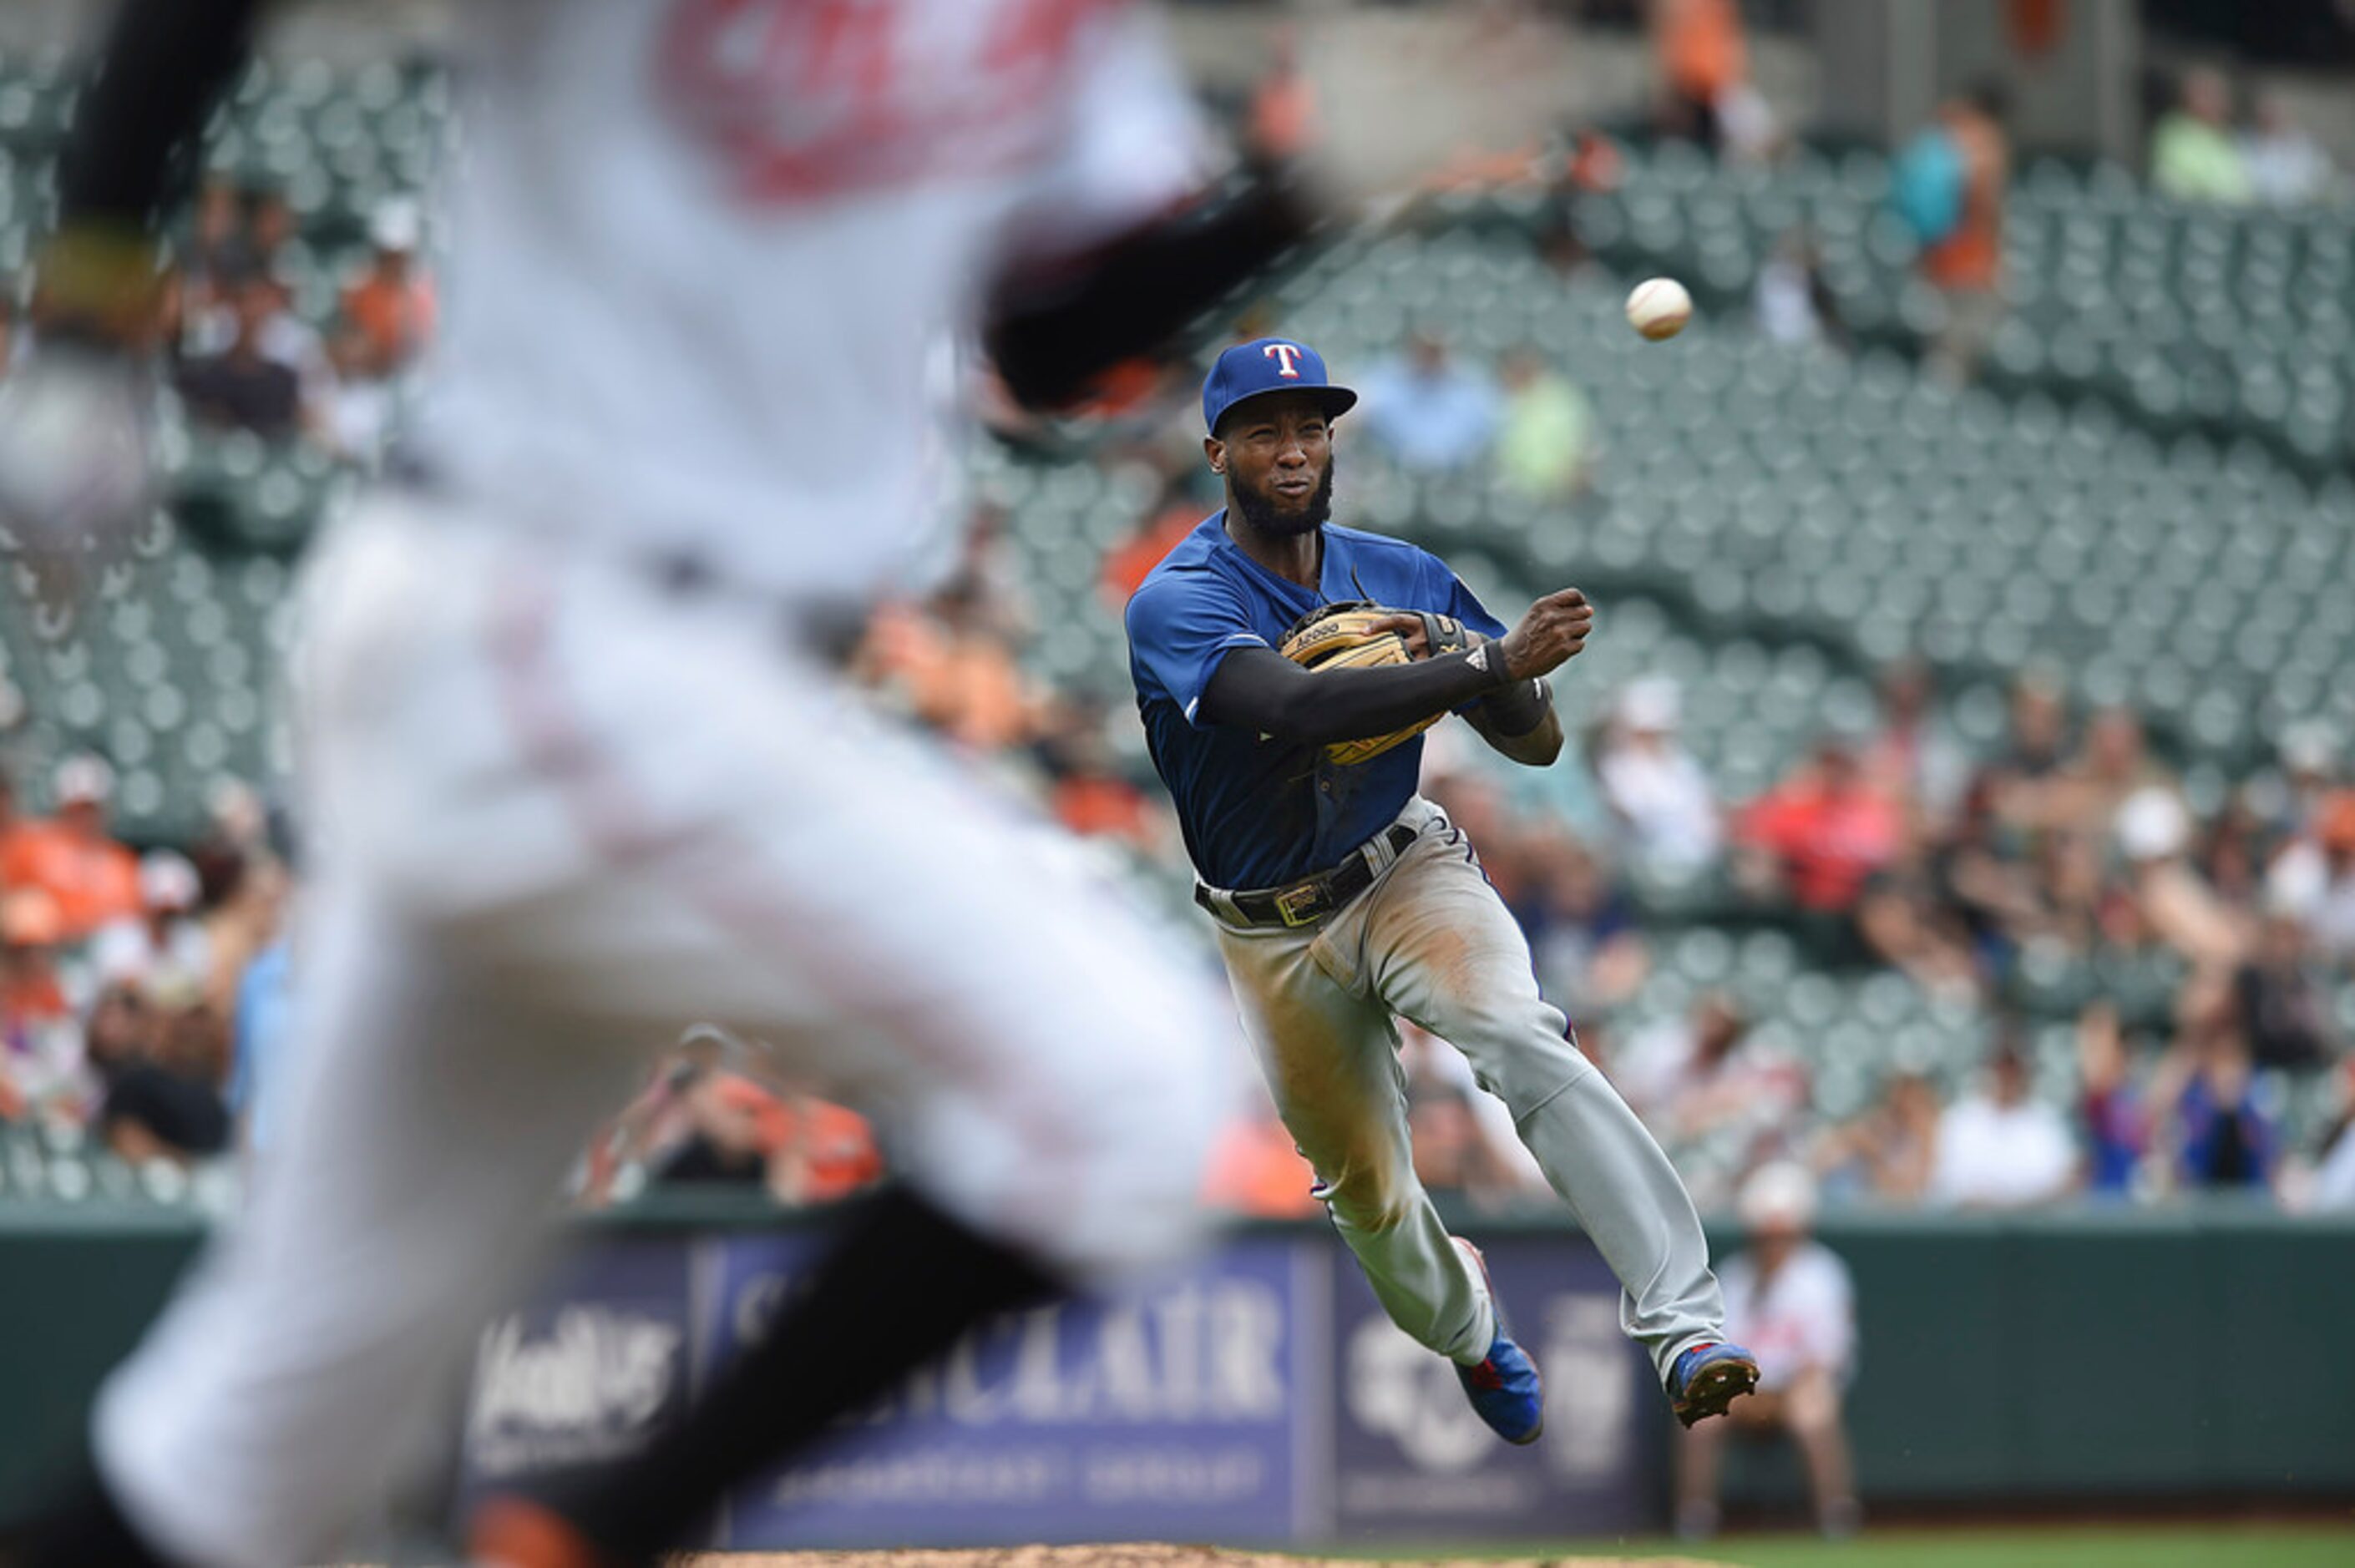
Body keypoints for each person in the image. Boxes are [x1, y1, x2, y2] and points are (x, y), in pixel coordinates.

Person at [0, 1, 1416, 1563]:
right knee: (1120, 1083)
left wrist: (1306, 184)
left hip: (671, 680)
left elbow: (1050, 329)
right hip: (540, 611)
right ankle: (593, 1537)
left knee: (244, 1462)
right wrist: (89, 305)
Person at [1124, 336, 1757, 1448]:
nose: (1294, 449)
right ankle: (1469, 1328)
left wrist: (1486, 658)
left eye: (1312, 425)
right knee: (1365, 1194)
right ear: (1216, 449)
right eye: (1266, 429)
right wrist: (1483, 663)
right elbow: (1293, 706)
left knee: (1520, 1032)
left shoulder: (1402, 571)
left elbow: (1541, 741)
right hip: (1269, 932)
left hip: (1405, 866)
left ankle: (1685, 1326)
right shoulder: (1179, 596)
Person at [1675, 1162, 1859, 1541]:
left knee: (1815, 1409)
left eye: (1782, 1234)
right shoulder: (1736, 1275)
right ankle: (1695, 1518)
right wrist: (1746, 1394)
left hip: (1796, 1389)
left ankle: (1836, 1515)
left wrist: (1779, 1395)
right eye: (1766, 1234)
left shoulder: (1821, 1274)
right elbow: (1718, 1349)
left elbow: (1825, 1357)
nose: (1773, 1244)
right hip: (1744, 1388)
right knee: (1701, 1414)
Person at [1929, 1038, 2077, 1208]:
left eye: (2013, 1069)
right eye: (2001, 1068)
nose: (2007, 1077)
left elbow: (2066, 1183)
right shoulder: (1960, 1120)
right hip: (1970, 1227)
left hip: (2036, 1227)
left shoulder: (2046, 1121)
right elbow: (1946, 1184)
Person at [1353, 328, 1501, 473]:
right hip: (1394, 471)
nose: (1430, 359)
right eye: (1425, 351)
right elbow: (1362, 405)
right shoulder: (1389, 382)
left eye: (1435, 352)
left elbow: (1490, 422)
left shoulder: (1470, 388)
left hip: (1456, 476)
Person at [2151, 67, 2253, 205]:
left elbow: (2241, 188)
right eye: (2207, 94)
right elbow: (2178, 183)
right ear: (2188, 96)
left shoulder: (2229, 136)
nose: (2217, 102)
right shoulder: (2173, 129)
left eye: (2219, 95)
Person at [2241, 90, 2334, 207]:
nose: (2272, 117)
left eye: (2275, 111)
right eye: (2267, 112)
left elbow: (2320, 179)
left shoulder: (2303, 144)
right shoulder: (2247, 144)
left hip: (2302, 207)